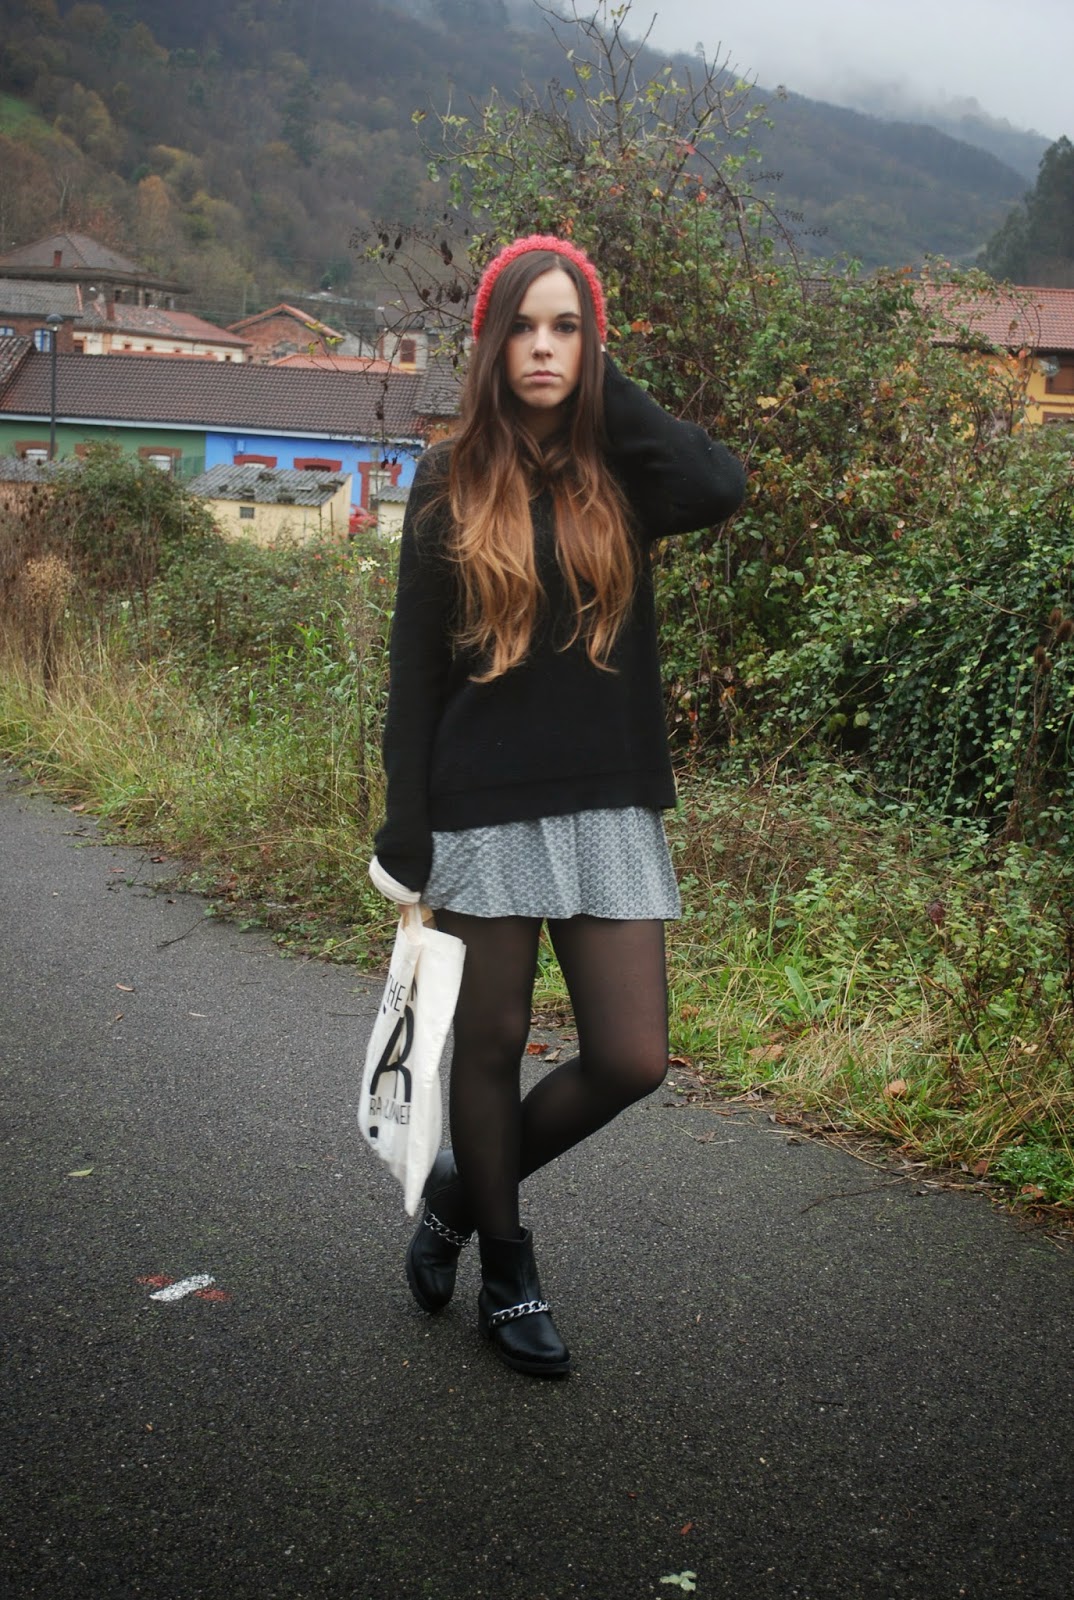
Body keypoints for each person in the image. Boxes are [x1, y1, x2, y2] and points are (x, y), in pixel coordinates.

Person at [369, 234, 746, 1378]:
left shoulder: (621, 475)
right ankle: (508, 1266)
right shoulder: (448, 478)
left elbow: (720, 484)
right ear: (491, 344)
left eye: (566, 328)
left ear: (592, 346)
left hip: (607, 801)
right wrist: (405, 828)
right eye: (524, 327)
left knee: (632, 1056)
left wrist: (597, 387)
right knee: (486, 1044)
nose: (543, 347)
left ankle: (458, 1192)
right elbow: (414, 673)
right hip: (479, 806)